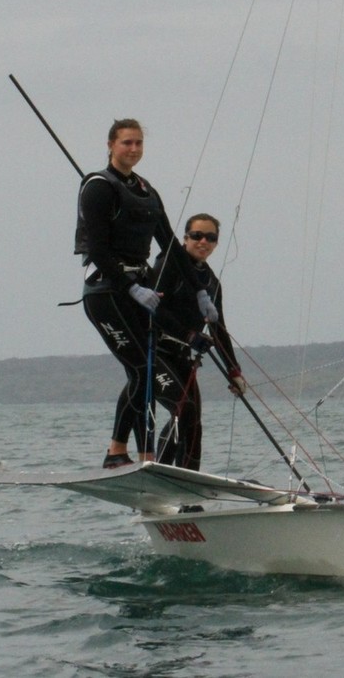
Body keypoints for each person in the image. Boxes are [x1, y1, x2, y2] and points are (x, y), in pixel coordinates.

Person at [78, 119, 216, 469]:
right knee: (142, 369)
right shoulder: (97, 187)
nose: (134, 149)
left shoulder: (145, 189)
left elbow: (169, 242)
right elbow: (97, 249)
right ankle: (130, 455)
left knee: (141, 371)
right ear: (110, 145)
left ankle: (126, 454)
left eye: (139, 143)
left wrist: (201, 291)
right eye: (127, 143)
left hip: (136, 291)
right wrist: (132, 287)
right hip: (107, 293)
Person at [147, 213, 247, 471]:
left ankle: (187, 484)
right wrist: (189, 335)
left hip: (183, 358)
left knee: (193, 420)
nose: (203, 242)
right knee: (185, 409)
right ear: (185, 238)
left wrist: (233, 371)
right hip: (153, 353)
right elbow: (152, 309)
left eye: (211, 238)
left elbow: (218, 329)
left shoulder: (211, 282)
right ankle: (162, 473)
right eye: (197, 236)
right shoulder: (169, 263)